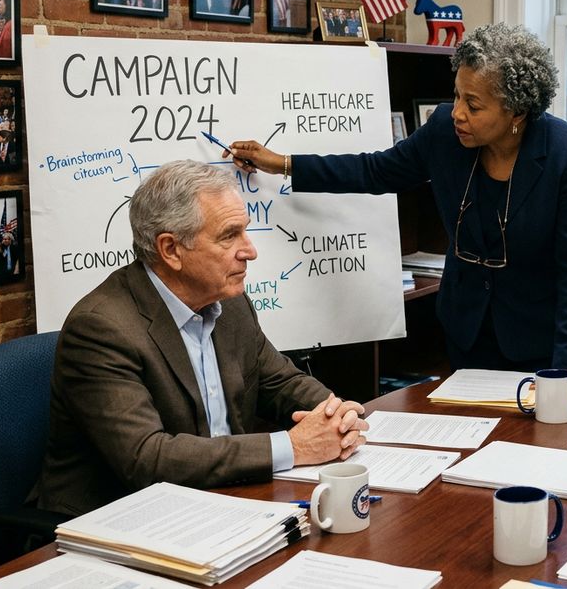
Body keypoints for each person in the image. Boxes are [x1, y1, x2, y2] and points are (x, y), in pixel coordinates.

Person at [225, 23, 567, 373]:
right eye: (456, 95)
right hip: (466, 333)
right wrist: (282, 163)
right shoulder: (443, 133)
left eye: (473, 105)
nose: (456, 113)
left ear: (516, 110)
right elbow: (374, 171)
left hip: (541, 342)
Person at [33, 160, 369, 516]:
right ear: (171, 250)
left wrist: (337, 415)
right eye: (229, 235)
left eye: (245, 231)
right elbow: (148, 459)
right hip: (121, 518)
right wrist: (293, 447)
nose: (250, 250)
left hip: (220, 500)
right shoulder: (101, 328)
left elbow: (281, 381)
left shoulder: (229, 301)